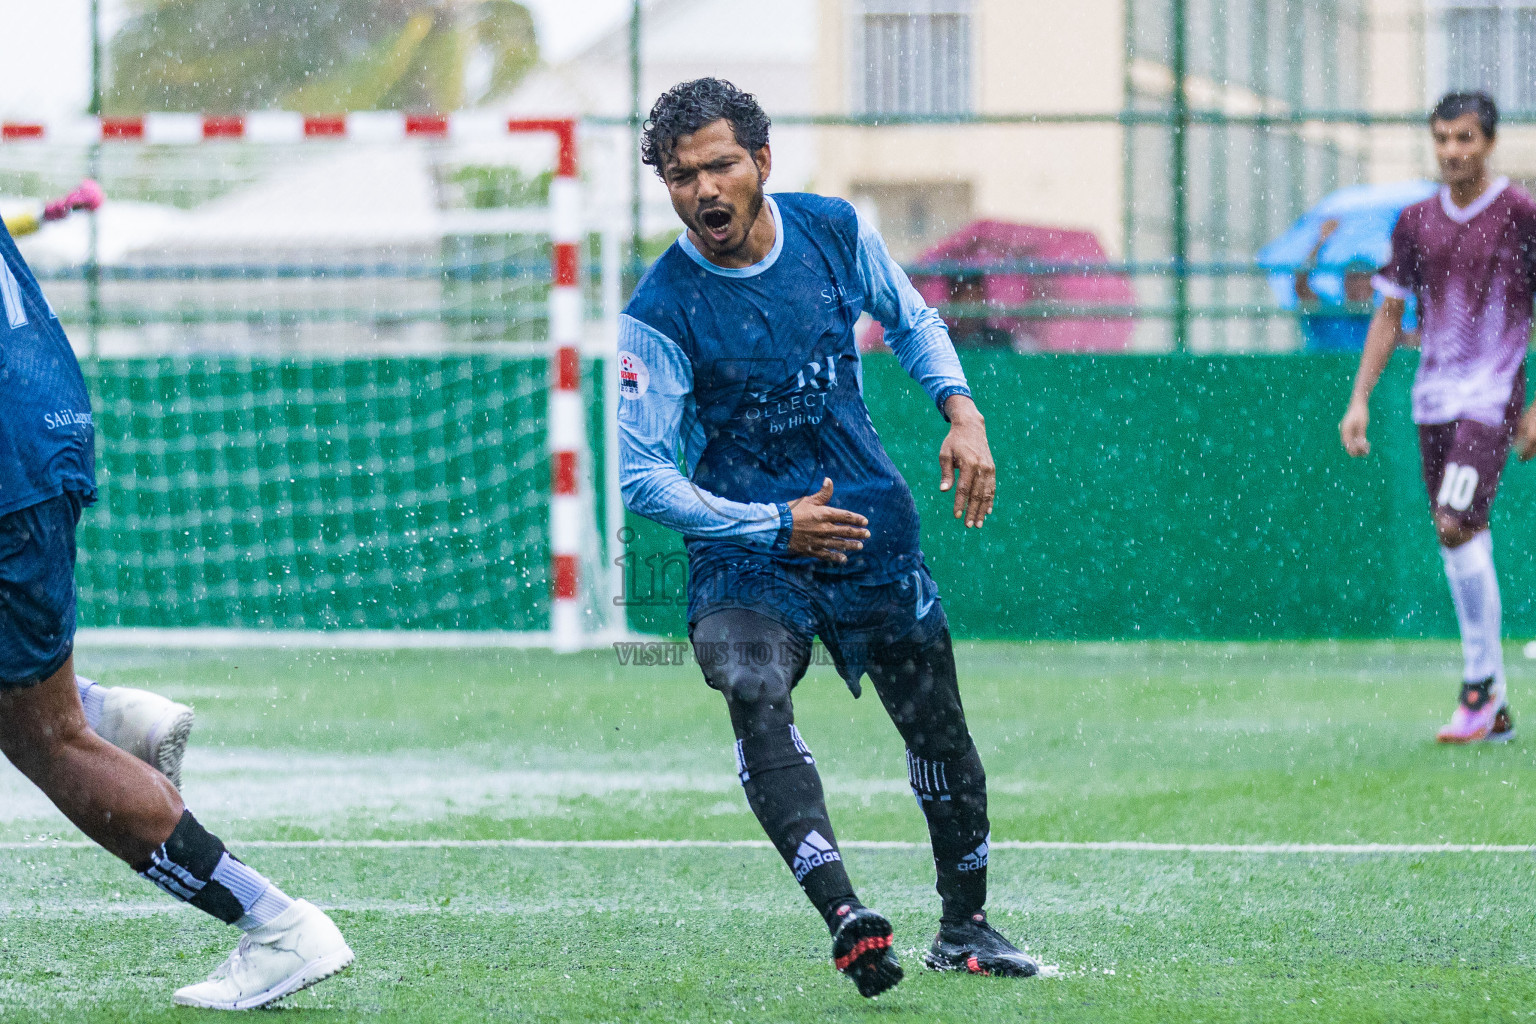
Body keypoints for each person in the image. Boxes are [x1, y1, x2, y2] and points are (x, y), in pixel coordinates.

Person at [619, 78, 1037, 998]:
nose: (705, 191)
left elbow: (912, 316)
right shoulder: (660, 308)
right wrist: (773, 522)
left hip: (864, 526)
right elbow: (642, 474)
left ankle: (965, 926)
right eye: (682, 177)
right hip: (748, 551)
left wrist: (960, 411)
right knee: (751, 683)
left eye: (722, 164)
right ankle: (848, 917)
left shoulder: (834, 231)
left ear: (762, 161)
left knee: (937, 726)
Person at [0, 197, 353, 1008]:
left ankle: (277, 926)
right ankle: (103, 711)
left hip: (8, 456)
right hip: (37, 408)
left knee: (44, 739)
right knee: (35, 714)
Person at [1340, 90, 1536, 743]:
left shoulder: (1519, 214)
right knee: (1459, 534)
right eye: (1443, 139)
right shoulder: (1415, 220)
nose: (1453, 151)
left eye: (1464, 139)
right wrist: (1360, 397)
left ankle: (1479, 688)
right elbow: (1391, 314)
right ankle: (1494, 703)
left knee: (1455, 523)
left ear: (1488, 142)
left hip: (1491, 396)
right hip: (1434, 400)